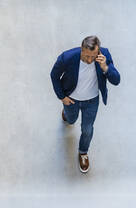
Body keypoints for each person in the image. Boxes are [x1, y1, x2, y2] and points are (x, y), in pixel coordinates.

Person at [50, 36, 120, 173]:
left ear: (98, 51)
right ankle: (66, 113)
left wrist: (105, 67)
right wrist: (62, 97)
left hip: (91, 101)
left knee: (87, 129)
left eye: (93, 57)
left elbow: (116, 80)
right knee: (71, 120)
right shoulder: (67, 57)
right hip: (71, 100)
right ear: (81, 49)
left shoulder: (103, 55)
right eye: (86, 56)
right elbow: (54, 75)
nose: (89, 60)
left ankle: (83, 152)